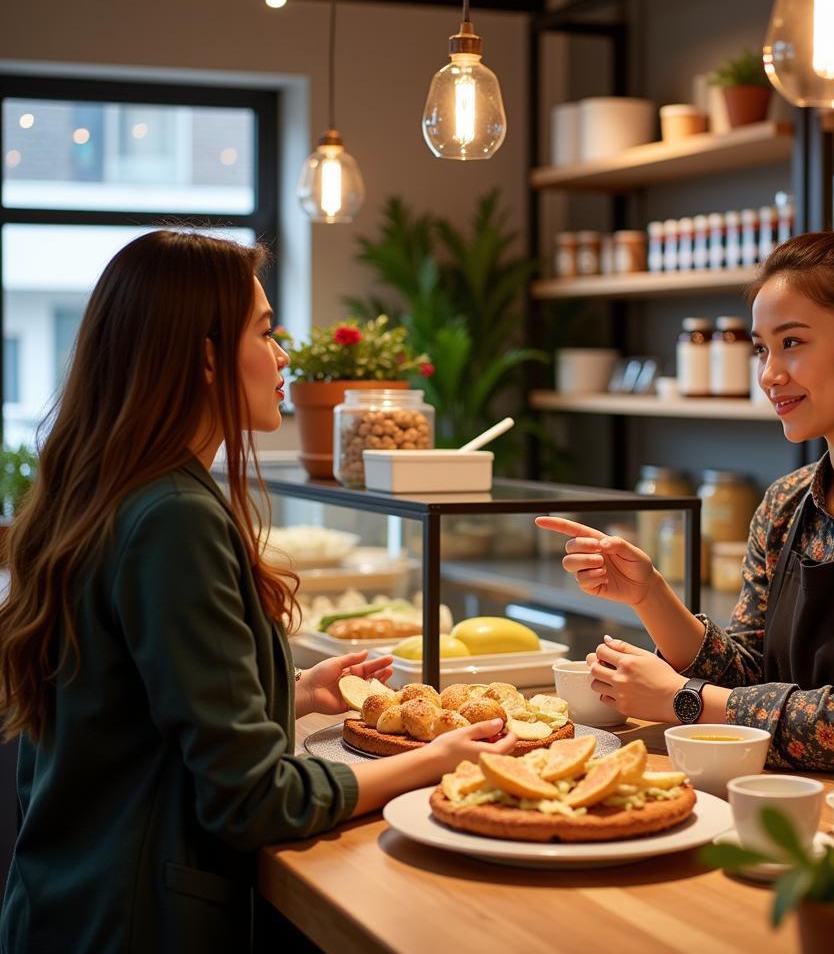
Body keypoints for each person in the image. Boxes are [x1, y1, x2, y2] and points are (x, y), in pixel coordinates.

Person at [0, 230, 514, 953]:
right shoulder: (174, 516)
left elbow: (131, 711)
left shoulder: (109, 490)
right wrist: (436, 760)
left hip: (65, 903)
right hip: (132, 922)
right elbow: (251, 800)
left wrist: (293, 691)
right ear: (205, 356)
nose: (283, 358)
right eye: (267, 333)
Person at [539, 221, 834, 829]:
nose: (769, 374)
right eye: (763, 349)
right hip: (808, 807)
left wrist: (677, 699)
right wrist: (650, 595)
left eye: (792, 343)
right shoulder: (786, 502)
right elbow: (752, 676)